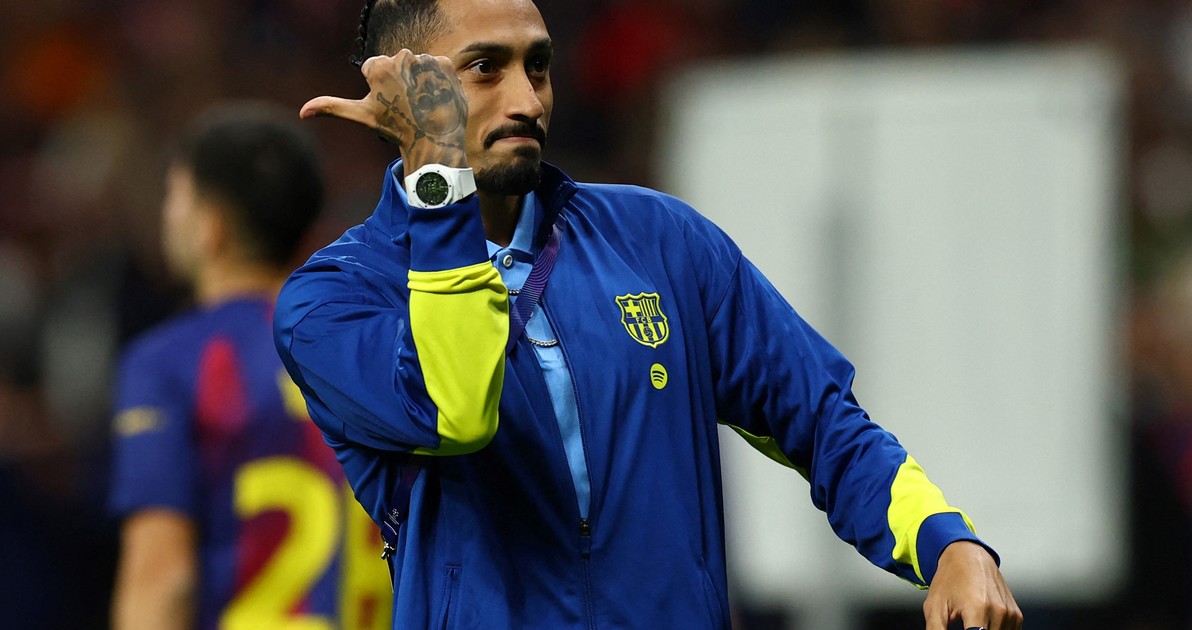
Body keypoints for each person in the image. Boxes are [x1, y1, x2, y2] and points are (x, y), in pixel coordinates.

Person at [275, 1, 1024, 628]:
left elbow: (822, 420)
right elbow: (456, 409)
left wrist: (948, 544)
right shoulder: (334, 300)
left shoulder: (660, 241)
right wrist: (436, 166)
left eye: (538, 66)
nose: (528, 101)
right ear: (402, 96)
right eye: (484, 69)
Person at [108, 103, 392, 630]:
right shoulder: (372, 347)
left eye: (176, 196)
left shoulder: (170, 362)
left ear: (210, 227)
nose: (167, 215)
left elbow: (163, 579)